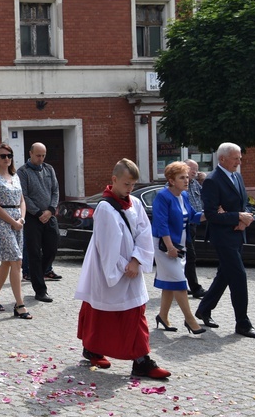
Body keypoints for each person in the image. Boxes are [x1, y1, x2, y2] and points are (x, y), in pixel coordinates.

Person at [74, 158, 170, 379]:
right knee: (100, 310)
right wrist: (122, 267)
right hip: (111, 267)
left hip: (131, 267)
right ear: (114, 180)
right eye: (126, 184)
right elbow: (107, 245)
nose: (130, 189)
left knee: (135, 312)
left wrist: (136, 260)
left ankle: (141, 360)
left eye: (133, 185)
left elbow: (145, 232)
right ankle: (93, 348)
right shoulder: (105, 208)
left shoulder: (134, 203)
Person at [195, 142, 255, 339]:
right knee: (238, 277)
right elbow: (212, 215)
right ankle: (242, 323)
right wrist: (237, 217)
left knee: (225, 274)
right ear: (222, 159)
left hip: (237, 233)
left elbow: (244, 204)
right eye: (236, 158)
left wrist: (245, 219)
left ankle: (204, 309)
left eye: (240, 158)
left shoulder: (238, 176)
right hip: (222, 238)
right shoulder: (212, 181)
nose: (239, 162)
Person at [151, 162, 206, 334]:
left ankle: (162, 316)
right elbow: (161, 224)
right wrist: (169, 247)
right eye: (182, 177)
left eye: (187, 177)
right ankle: (190, 320)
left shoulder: (184, 196)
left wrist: (211, 214)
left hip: (180, 243)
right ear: (171, 180)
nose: (187, 180)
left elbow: (193, 217)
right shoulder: (163, 197)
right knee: (180, 282)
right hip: (164, 245)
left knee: (170, 283)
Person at [0, 143, 31, 319]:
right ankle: (20, 305)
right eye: (3, 155)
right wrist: (12, 221)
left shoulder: (16, 176)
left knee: (7, 262)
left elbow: (22, 200)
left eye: (9, 155)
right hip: (3, 223)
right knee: (16, 261)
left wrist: (21, 219)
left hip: (18, 221)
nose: (6, 159)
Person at [16, 142, 59, 304]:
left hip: (49, 214)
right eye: (38, 155)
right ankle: (40, 290)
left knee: (52, 248)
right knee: (33, 253)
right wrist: (38, 212)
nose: (40, 158)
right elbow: (23, 196)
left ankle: (38, 274)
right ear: (30, 154)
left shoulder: (49, 169)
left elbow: (55, 190)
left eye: (43, 155)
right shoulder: (23, 172)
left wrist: (50, 209)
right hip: (33, 218)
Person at [183, 159, 207, 299]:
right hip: (184, 225)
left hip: (194, 224)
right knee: (190, 256)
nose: (194, 172)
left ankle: (179, 286)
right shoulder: (176, 185)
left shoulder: (195, 184)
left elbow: (206, 196)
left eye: (196, 169)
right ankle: (195, 288)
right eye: (192, 168)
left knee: (186, 257)